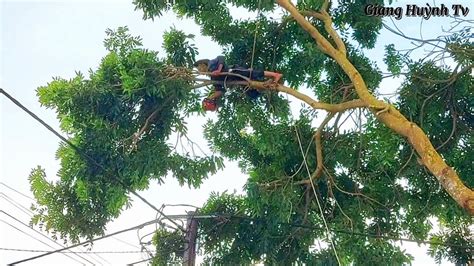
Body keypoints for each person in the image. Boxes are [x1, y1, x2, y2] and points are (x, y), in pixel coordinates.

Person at [194, 56, 283, 111]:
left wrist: (219, 70)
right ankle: (267, 84)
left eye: (199, 69)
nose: (200, 72)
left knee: (251, 73)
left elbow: (221, 58)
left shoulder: (211, 64)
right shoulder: (213, 78)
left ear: (203, 64)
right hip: (237, 80)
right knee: (252, 95)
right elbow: (220, 90)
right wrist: (210, 97)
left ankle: (275, 75)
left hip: (234, 71)